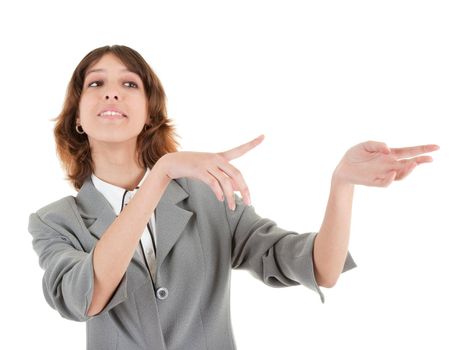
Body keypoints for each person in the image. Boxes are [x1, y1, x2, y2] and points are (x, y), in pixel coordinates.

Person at [28, 44, 439, 350]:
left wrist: (342, 185)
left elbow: (320, 268)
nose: (112, 93)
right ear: (77, 118)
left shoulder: (207, 200)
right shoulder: (54, 221)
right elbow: (85, 297)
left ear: (150, 113)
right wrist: (162, 174)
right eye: (96, 83)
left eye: (129, 83)